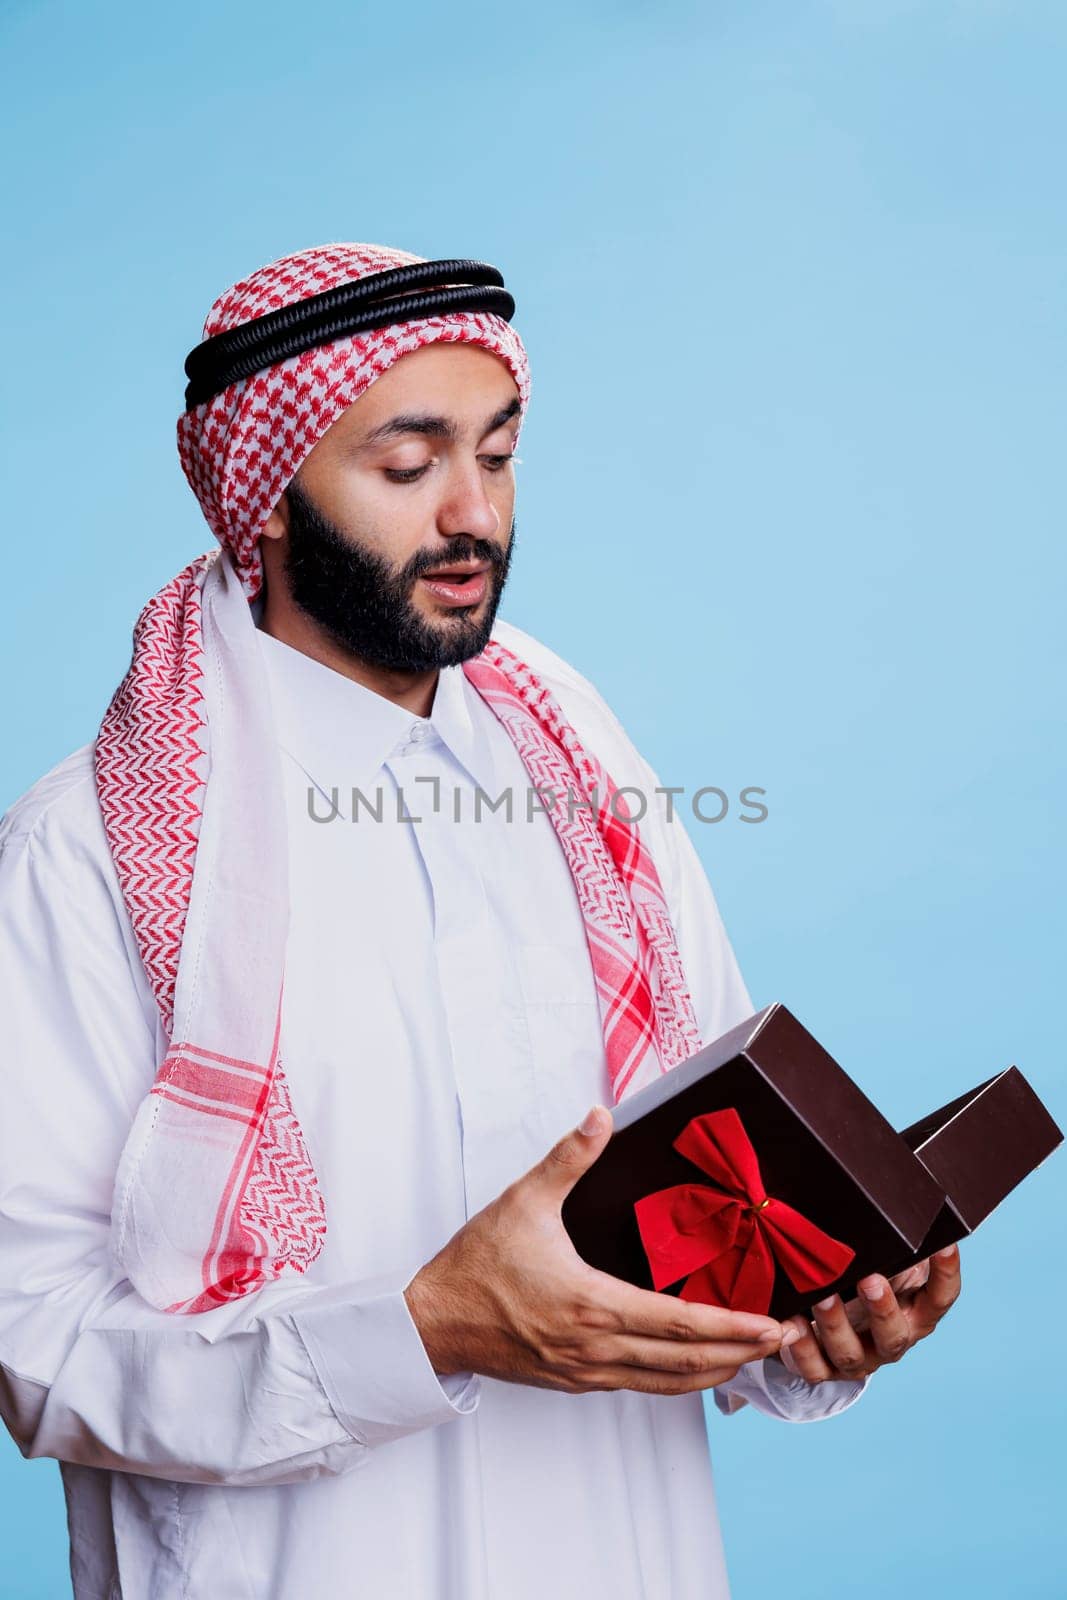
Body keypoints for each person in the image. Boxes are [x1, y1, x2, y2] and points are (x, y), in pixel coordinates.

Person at [0, 242, 961, 1600]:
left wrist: (812, 1318)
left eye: (499, 456)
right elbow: (37, 1351)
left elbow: (705, 1176)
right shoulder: (85, 857)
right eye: (408, 467)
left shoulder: (591, 777)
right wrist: (425, 1330)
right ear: (264, 496)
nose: (473, 516)